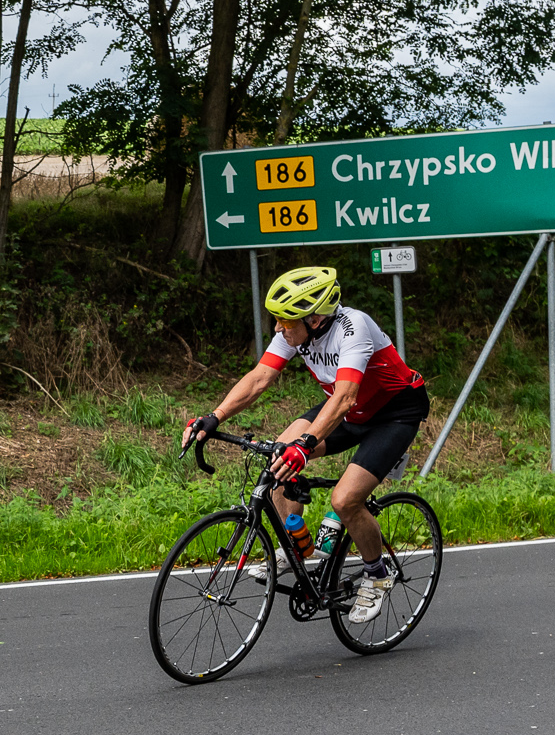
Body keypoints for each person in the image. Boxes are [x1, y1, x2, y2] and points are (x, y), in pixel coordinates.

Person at [180, 265, 429, 624]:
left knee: (345, 500)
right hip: (348, 411)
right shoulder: (297, 332)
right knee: (277, 460)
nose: (278, 328)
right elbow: (260, 377)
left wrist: (306, 444)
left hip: (393, 415)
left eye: (284, 321)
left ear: (314, 318)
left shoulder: (354, 327)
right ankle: (294, 546)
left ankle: (377, 574)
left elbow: (345, 396)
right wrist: (214, 417)